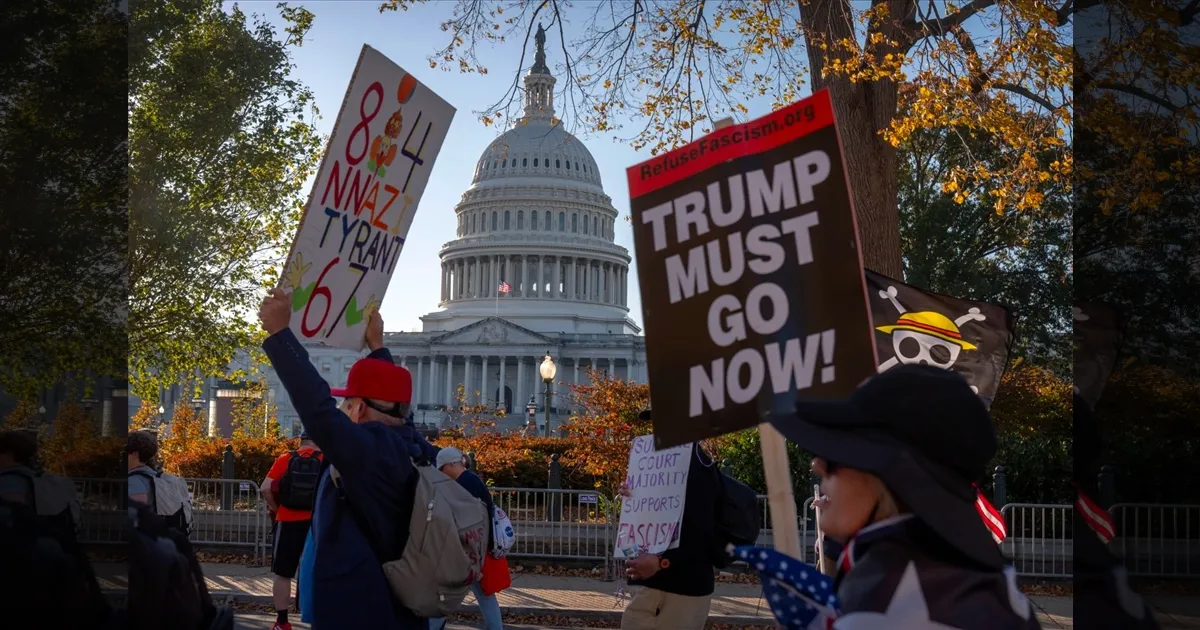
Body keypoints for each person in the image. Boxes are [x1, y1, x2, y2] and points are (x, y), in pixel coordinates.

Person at [768, 364, 1040, 628]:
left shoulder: (890, 604)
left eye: (839, 455)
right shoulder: (967, 583)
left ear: (894, 477)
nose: (818, 465)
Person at [258, 288, 439, 630]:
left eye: (348, 402)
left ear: (359, 408)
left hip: (357, 610)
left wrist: (281, 335)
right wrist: (378, 348)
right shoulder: (414, 446)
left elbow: (317, 409)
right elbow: (391, 404)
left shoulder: (368, 451)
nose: (343, 408)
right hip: (402, 610)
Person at [620, 409, 724, 630]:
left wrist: (661, 562)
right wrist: (632, 497)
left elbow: (700, 532)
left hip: (678, 588)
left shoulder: (696, 465)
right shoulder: (654, 463)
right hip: (654, 585)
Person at [428, 446, 501, 630]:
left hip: (467, 551)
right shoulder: (472, 480)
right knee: (484, 595)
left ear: (452, 465)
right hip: (477, 549)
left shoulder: (464, 484)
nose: (442, 473)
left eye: (442, 469)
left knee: (446, 594)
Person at [261, 433, 324, 630]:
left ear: (301, 441)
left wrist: (276, 508)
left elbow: (265, 488)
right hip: (317, 523)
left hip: (287, 520)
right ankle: (317, 619)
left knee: (282, 573)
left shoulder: (286, 459)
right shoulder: (326, 460)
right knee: (317, 571)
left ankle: (282, 622)